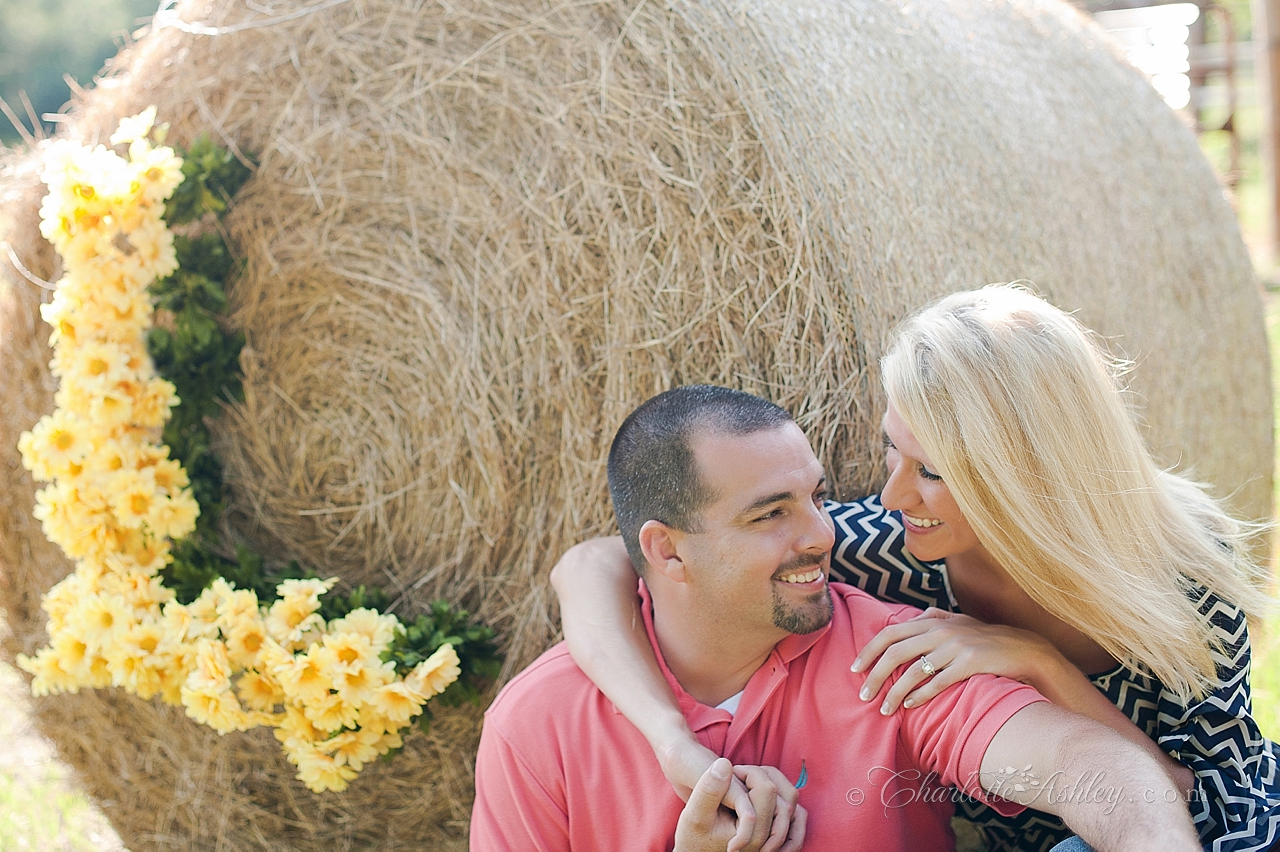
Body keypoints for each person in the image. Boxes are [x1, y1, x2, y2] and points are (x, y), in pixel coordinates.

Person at [550, 286, 1280, 852]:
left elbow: (1186, 795)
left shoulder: (1183, 576)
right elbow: (594, 565)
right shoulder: (887, 549)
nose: (893, 492)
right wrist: (670, 739)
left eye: (929, 470)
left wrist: (1037, 661)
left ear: (1023, 475)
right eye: (893, 451)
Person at [474, 383, 1203, 852]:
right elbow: (587, 566)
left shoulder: (890, 653)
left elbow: (1088, 764)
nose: (824, 534)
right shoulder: (541, 722)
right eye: (772, 514)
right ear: (666, 551)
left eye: (817, 497)